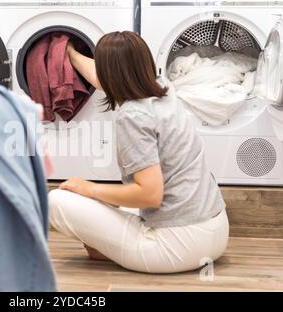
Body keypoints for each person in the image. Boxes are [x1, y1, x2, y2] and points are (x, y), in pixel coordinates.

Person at [48, 31, 229, 274]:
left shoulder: (132, 116)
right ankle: (114, 247)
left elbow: (150, 195)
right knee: (110, 204)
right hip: (215, 231)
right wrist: (69, 52)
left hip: (178, 246)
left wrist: (88, 187)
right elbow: (105, 78)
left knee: (57, 201)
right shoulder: (163, 89)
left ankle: (118, 249)